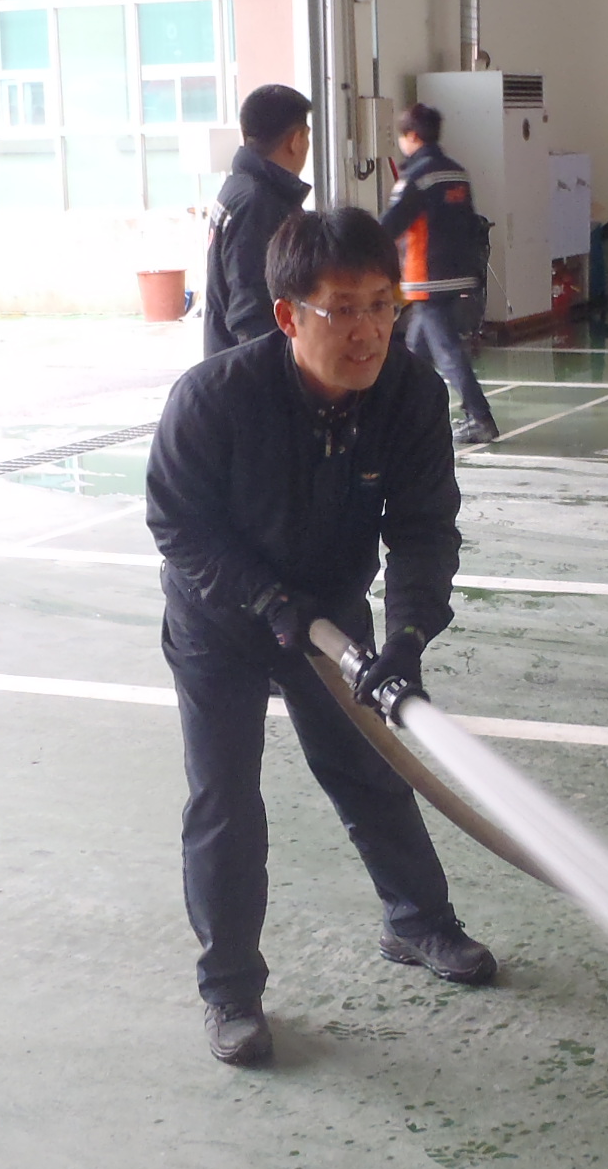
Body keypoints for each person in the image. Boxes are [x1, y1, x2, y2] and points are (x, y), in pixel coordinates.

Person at [145, 206, 500, 1067]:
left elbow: (423, 529)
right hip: (219, 618)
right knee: (225, 799)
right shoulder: (215, 399)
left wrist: (407, 637)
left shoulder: (411, 396)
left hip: (332, 614)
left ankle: (417, 923)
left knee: (370, 769)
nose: (368, 331)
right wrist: (267, 601)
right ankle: (230, 989)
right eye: (342, 310)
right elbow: (177, 524)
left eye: (382, 305)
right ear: (288, 315)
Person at [379, 102, 499, 444]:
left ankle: (480, 417)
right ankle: (402, 416)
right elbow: (469, 222)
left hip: (428, 277)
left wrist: (363, 244)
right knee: (415, 351)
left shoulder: (417, 177)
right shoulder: (457, 173)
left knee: (446, 351)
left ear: (411, 136)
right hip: (459, 272)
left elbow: (391, 225)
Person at [203, 84, 313, 355]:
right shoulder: (258, 203)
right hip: (250, 367)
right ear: (296, 139)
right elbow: (252, 311)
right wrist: (268, 371)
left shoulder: (239, 187)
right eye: (307, 136)